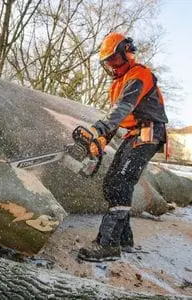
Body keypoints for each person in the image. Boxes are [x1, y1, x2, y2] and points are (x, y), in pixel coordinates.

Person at [74, 32, 168, 262]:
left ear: (127, 53)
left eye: (115, 60)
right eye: (108, 62)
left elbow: (124, 108)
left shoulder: (139, 75)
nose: (112, 66)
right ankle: (124, 239)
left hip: (149, 131)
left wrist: (97, 128)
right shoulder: (117, 85)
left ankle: (108, 244)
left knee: (120, 183)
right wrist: (102, 139)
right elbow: (117, 119)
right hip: (133, 133)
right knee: (110, 184)